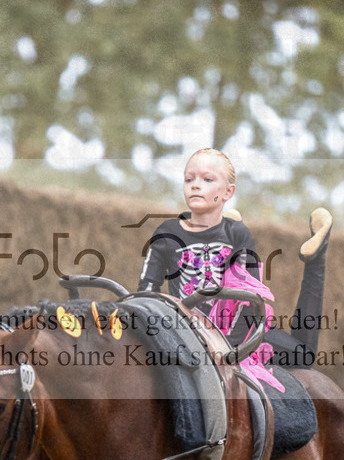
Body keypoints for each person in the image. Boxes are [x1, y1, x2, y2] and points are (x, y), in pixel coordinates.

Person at [138, 147, 332, 366]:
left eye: (208, 179)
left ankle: (315, 259)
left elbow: (250, 297)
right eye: (188, 179)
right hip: (187, 330)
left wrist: (226, 344)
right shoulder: (166, 233)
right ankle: (317, 260)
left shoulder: (239, 234)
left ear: (228, 192)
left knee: (303, 356)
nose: (195, 184)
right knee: (304, 354)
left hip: (234, 334)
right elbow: (146, 291)